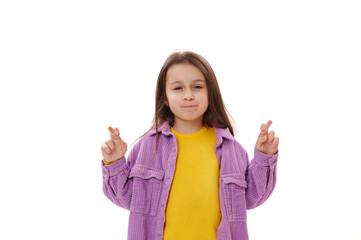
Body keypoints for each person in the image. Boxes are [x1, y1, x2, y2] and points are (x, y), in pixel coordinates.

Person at [101, 50, 279, 240]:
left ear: (211, 92)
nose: (188, 95)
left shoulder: (231, 148)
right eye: (178, 88)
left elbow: (252, 198)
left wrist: (264, 158)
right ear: (164, 98)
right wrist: (114, 162)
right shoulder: (148, 146)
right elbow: (127, 198)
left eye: (197, 87)